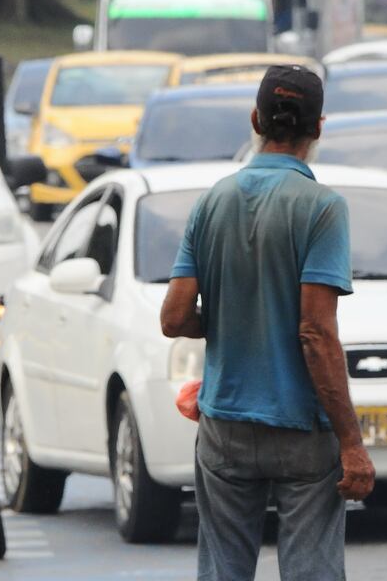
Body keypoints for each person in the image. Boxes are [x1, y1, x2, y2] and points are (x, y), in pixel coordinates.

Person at [161, 65, 375, 580]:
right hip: (302, 429)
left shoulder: (212, 201)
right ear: (318, 127)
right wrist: (351, 442)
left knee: (223, 570)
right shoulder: (322, 208)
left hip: (225, 426)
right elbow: (315, 333)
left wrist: (232, 318)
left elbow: (173, 318)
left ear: (255, 120)